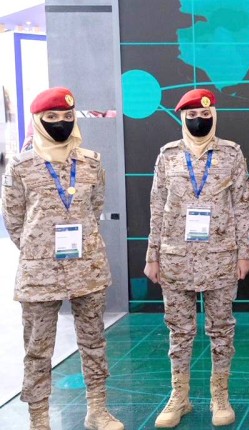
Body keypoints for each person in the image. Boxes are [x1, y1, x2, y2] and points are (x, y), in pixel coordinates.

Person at [1, 87, 124, 430]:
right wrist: (39, 249)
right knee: (38, 349)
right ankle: (39, 419)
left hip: (88, 268)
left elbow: (94, 207)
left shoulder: (91, 162)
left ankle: (97, 410)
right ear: (38, 121)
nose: (61, 123)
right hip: (39, 274)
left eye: (67, 117)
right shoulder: (20, 167)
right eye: (52, 117)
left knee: (94, 341)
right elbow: (14, 221)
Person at [143, 89, 249, 428]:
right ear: (182, 118)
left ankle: (220, 396)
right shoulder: (168, 156)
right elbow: (156, 207)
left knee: (221, 330)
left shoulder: (231, 153)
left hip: (220, 256)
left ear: (213, 116)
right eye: (192, 115)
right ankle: (180, 397)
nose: (199, 120)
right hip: (176, 257)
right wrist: (152, 256)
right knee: (179, 331)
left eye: (205, 114)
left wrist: (244, 253)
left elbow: (242, 206)